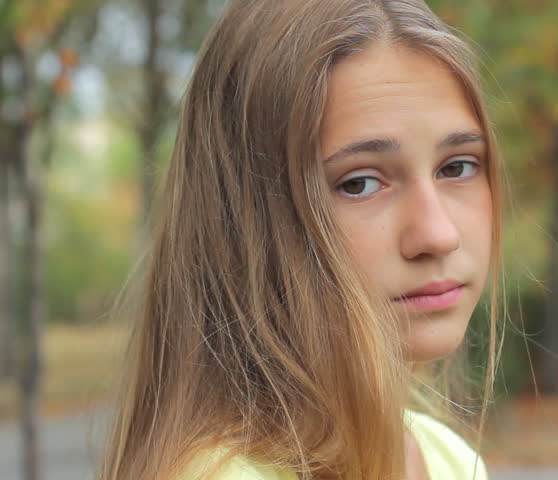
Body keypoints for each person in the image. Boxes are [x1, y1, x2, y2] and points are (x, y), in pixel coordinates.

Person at [98, 0, 505, 478]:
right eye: (360, 182)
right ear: (245, 221)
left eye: (457, 167)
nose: (438, 234)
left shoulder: (449, 459)